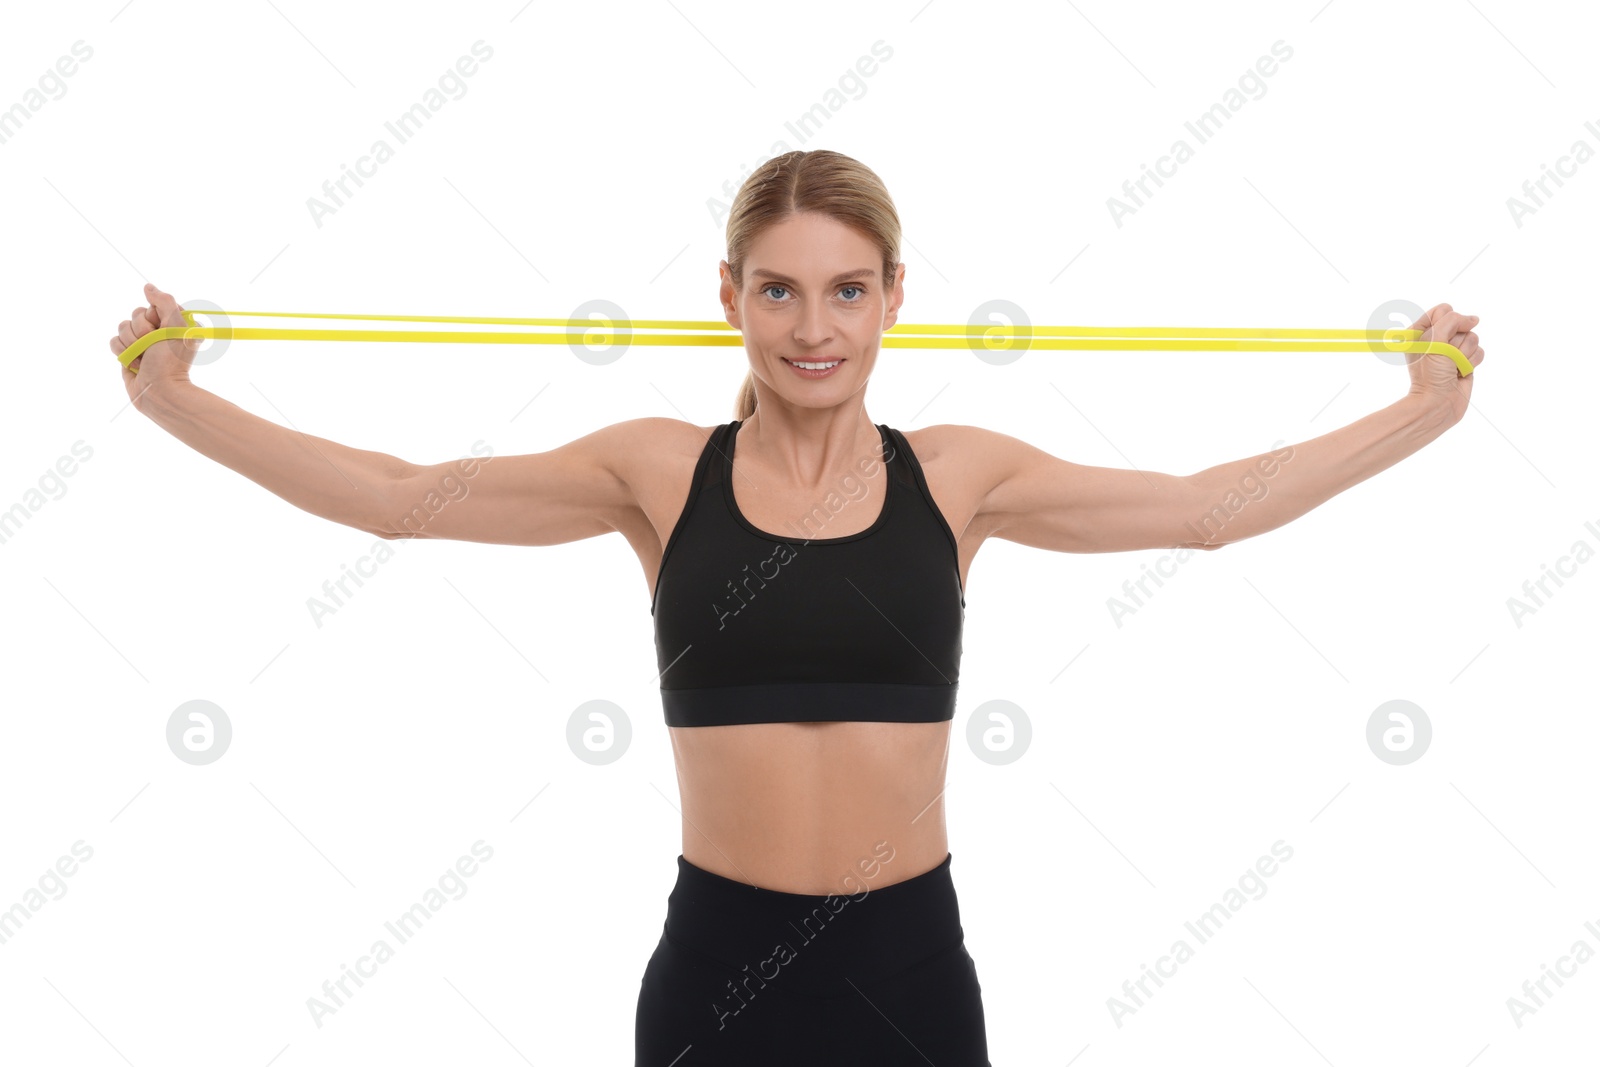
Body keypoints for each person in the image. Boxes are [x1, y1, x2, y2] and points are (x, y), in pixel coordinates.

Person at [111, 148, 1484, 1065]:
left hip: (909, 967)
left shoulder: (959, 478)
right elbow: (395, 494)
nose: (811, 327)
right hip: (721, 969)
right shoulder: (656, 471)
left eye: (844, 289)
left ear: (894, 299)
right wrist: (176, 401)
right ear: (730, 299)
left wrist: (1420, 414)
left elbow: (1203, 508)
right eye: (778, 290)